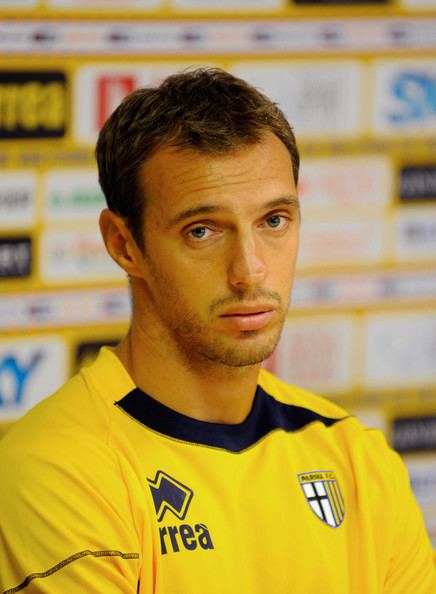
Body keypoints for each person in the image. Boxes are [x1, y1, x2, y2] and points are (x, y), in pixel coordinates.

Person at [0, 67, 435, 594]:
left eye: (273, 221)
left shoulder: (357, 460)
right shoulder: (52, 473)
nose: (250, 270)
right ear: (123, 243)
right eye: (202, 231)